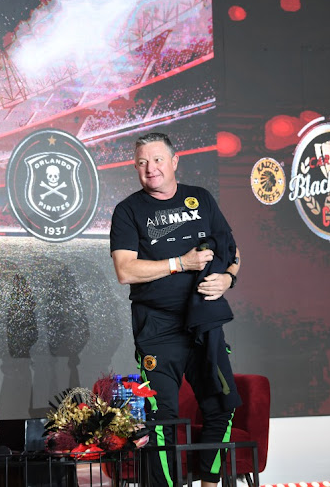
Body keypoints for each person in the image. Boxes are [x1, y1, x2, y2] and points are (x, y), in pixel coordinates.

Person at [110, 132, 242, 487]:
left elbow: (232, 250)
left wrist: (229, 278)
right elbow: (125, 270)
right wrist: (180, 263)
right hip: (157, 329)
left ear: (174, 161)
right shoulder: (128, 211)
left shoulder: (200, 199)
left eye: (156, 160)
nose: (150, 169)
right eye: (141, 162)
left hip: (205, 322)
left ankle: (210, 483)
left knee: (222, 406)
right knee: (161, 420)